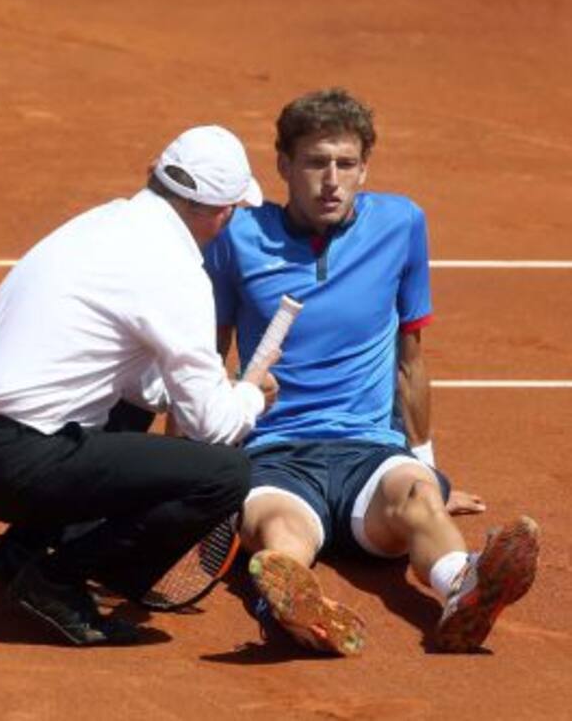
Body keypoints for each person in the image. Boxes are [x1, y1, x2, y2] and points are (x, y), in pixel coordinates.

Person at [203, 88, 539, 655]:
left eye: (346, 163)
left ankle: (463, 588)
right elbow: (207, 358)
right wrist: (190, 471)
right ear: (284, 165)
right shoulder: (237, 235)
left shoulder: (401, 224)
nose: (331, 180)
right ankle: (294, 609)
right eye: (315, 163)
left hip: (370, 453)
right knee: (280, 530)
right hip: (276, 452)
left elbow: (411, 359)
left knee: (420, 499)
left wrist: (428, 467)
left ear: (365, 168)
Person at [0, 124, 280, 647]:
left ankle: (20, 554)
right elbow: (213, 428)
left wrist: (203, 391)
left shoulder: (102, 223)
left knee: (133, 404)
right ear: (222, 212)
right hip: (7, 467)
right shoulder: (177, 272)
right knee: (225, 474)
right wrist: (250, 394)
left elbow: (143, 389)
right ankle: (58, 580)